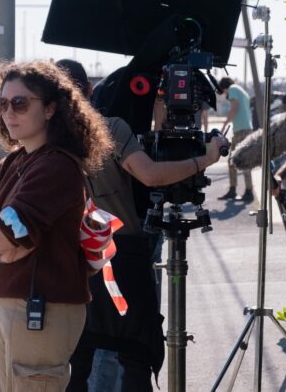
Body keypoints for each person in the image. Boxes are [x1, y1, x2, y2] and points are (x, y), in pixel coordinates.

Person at [56, 59, 228, 392]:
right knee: (134, 351)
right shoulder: (109, 129)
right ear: (89, 91)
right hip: (120, 256)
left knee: (78, 357)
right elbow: (150, 175)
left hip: (71, 262)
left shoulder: (44, 139)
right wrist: (205, 159)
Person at [0, 60, 113, 392]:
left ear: (49, 109)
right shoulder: (13, 162)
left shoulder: (56, 166)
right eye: (1, 103)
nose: (8, 113)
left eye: (20, 103)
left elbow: (3, 237)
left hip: (42, 308)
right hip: (15, 303)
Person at [219, 76, 255, 202]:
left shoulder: (233, 89)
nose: (225, 95)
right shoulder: (241, 90)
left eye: (223, 92)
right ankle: (247, 191)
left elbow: (234, 107)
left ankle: (235, 190)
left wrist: (224, 125)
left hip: (241, 131)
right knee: (243, 160)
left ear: (224, 87)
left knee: (233, 161)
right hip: (246, 129)